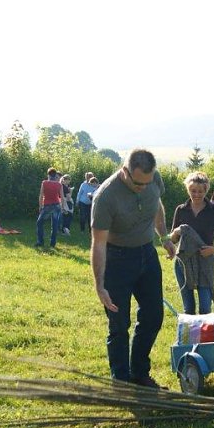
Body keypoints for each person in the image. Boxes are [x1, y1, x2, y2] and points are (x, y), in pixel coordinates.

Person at [91, 149, 175, 388]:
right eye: (138, 183)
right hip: (116, 260)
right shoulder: (105, 197)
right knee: (118, 324)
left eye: (147, 183)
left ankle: (139, 373)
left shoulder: (153, 180)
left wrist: (164, 236)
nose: (142, 187)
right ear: (125, 171)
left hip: (146, 255)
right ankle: (121, 382)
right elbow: (98, 244)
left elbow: (156, 204)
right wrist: (100, 285)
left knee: (153, 317)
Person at [169, 171, 214, 315]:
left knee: (205, 309)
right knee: (188, 309)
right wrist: (177, 231)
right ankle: (190, 337)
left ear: (206, 190)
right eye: (193, 191)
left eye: (200, 191)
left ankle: (206, 337)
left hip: (205, 261)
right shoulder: (181, 210)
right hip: (183, 263)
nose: (196, 194)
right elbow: (172, 239)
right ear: (188, 190)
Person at [36, 167, 64, 248]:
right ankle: (52, 243)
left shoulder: (44, 183)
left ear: (48, 174)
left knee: (39, 223)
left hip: (47, 205)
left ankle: (40, 241)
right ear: (55, 175)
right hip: (56, 205)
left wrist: (40, 206)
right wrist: (62, 207)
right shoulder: (59, 184)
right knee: (54, 225)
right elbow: (62, 197)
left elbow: (41, 196)